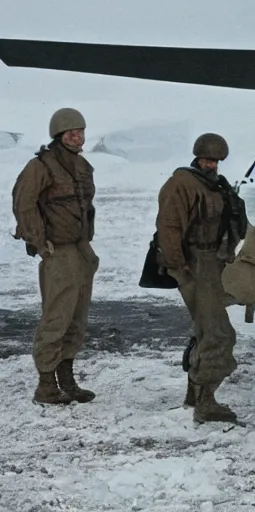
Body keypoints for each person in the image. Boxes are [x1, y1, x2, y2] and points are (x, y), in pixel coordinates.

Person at [11, 107, 99, 405]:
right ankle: (46, 385)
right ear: (58, 135)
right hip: (58, 251)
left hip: (80, 248)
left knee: (77, 316)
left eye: (80, 130)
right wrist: (39, 242)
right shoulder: (41, 166)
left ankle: (67, 380)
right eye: (70, 131)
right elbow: (23, 204)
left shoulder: (82, 165)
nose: (77, 135)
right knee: (57, 316)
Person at [156, 133, 246, 423]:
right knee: (218, 334)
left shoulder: (216, 185)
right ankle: (206, 400)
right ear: (197, 157)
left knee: (204, 330)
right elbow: (169, 228)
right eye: (208, 159)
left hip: (213, 262)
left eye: (216, 160)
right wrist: (180, 269)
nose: (212, 164)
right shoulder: (181, 183)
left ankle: (195, 394)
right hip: (194, 263)